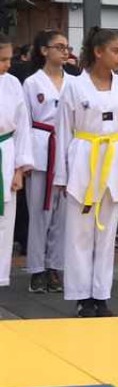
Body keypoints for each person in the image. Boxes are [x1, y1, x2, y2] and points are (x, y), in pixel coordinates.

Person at [54, 28, 118, 317]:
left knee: (107, 232)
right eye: (115, 50)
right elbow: (63, 132)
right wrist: (62, 175)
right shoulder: (75, 86)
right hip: (83, 156)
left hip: (114, 157)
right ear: (98, 52)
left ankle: (101, 294)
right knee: (79, 232)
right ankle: (81, 296)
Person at [24, 30, 69, 293]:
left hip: (67, 149)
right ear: (44, 51)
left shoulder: (74, 82)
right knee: (40, 213)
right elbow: (24, 122)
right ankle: (36, 269)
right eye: (59, 47)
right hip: (41, 149)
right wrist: (25, 158)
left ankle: (55, 267)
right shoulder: (32, 83)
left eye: (67, 47)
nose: (65, 51)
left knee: (62, 216)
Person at [0, 36, 32, 289]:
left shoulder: (12, 84)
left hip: (7, 152)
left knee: (4, 221)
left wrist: (19, 169)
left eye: (9, 59)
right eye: (2, 59)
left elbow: (22, 126)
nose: (8, 65)